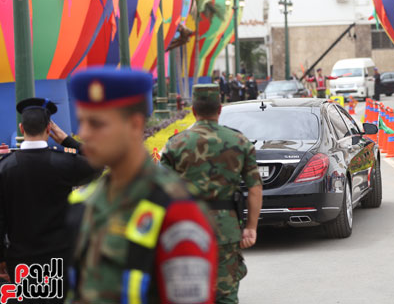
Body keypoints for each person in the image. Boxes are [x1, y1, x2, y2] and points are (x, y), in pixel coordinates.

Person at [68, 67, 218, 303]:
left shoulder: (176, 209)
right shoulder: (84, 202)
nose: (83, 133)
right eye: (81, 122)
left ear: (135, 125)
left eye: (96, 124)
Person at [161, 84, 263, 304]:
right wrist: (251, 228)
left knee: (188, 294)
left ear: (193, 110)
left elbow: (162, 191)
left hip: (186, 229)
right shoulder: (239, 141)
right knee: (225, 295)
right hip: (227, 229)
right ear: (220, 109)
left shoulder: (175, 144)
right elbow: (255, 187)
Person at [0, 98, 98, 302]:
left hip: (21, 262)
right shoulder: (64, 163)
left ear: (21, 127)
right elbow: (97, 164)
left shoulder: (5, 168)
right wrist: (67, 141)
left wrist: (1, 258)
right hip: (60, 259)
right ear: (49, 128)